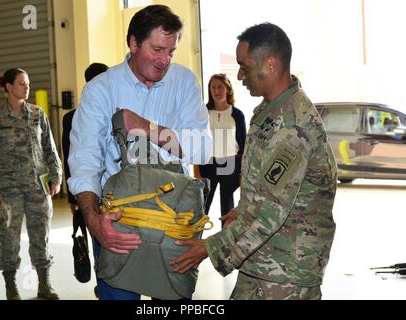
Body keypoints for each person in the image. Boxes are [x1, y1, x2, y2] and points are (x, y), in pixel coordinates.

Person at [170, 22, 337, 300]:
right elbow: (268, 186)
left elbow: (270, 212)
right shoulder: (268, 110)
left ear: (270, 65)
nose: (239, 75)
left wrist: (209, 248)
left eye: (244, 66)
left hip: (287, 271)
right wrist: (244, 208)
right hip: (262, 259)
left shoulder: (292, 125)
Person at [68, 4, 212, 300]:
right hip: (119, 222)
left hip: (173, 221)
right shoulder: (100, 90)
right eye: (157, 49)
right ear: (133, 43)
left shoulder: (184, 83)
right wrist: (94, 223)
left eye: (171, 52)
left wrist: (148, 128)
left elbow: (204, 148)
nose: (165, 61)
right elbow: (85, 162)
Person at [0, 68, 62, 300]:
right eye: (21, 84)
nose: (27, 88)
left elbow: (50, 148)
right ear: (8, 86)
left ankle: (44, 285)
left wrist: (56, 177)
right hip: (8, 190)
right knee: (9, 237)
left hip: (38, 187)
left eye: (28, 84)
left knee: (41, 235)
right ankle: (11, 287)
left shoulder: (37, 114)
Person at [62, 62, 108, 298]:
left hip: (112, 191)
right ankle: (103, 284)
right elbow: (71, 157)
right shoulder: (72, 117)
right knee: (97, 238)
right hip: (89, 191)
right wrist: (74, 198)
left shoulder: (118, 110)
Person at [195, 73, 246, 221]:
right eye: (213, 87)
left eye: (220, 87)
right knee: (202, 206)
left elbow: (244, 147)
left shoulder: (237, 115)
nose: (217, 91)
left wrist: (243, 172)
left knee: (227, 208)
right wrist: (197, 170)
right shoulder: (202, 113)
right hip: (208, 164)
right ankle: (195, 239)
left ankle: (226, 242)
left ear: (228, 89)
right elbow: (197, 143)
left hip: (231, 165)